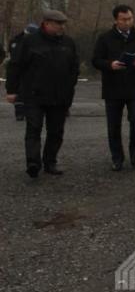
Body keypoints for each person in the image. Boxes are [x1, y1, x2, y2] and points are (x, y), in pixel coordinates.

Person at [5, 10, 79, 178]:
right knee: (33, 128)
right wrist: (11, 90)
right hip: (34, 95)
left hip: (60, 96)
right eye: (58, 24)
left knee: (56, 131)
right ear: (46, 23)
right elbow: (15, 66)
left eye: (63, 24)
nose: (61, 27)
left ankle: (50, 162)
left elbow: (74, 67)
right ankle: (33, 162)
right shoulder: (29, 41)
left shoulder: (68, 43)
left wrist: (70, 86)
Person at [93, 5, 135, 171]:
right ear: (116, 20)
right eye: (124, 19)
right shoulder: (105, 38)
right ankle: (117, 157)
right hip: (113, 88)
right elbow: (96, 60)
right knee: (113, 125)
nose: (127, 22)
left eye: (130, 19)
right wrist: (110, 65)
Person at [7, 23, 39, 121]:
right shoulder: (16, 41)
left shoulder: (18, 41)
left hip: (33, 70)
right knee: (20, 91)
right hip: (21, 69)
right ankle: (20, 112)